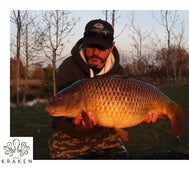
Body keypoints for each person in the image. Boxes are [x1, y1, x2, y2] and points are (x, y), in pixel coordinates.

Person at [48, 19, 158, 159]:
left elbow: (126, 113)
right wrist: (77, 125)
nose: (95, 52)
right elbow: (59, 122)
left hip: (104, 132)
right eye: (91, 46)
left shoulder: (118, 72)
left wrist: (143, 113)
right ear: (84, 42)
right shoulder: (68, 68)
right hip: (69, 134)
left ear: (112, 47)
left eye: (102, 48)